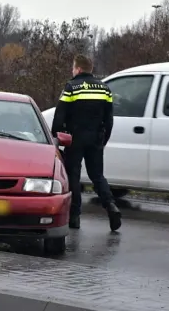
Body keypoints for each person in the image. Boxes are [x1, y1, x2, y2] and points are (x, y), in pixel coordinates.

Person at [51, 54, 121, 232]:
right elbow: (109, 119)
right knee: (97, 175)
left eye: (73, 68)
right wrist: (103, 140)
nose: (72, 71)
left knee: (73, 175)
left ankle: (75, 217)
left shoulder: (72, 87)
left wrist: (55, 139)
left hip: (75, 139)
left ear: (79, 69)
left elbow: (60, 115)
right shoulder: (104, 89)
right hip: (96, 138)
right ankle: (111, 206)